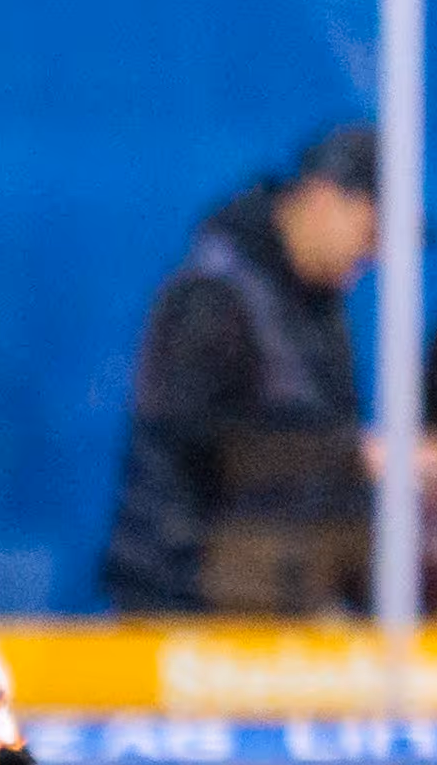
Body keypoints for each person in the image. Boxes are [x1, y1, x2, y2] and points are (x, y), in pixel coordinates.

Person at [101, 122, 386, 615]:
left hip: (275, 598)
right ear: (323, 200)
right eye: (372, 231)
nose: (373, 253)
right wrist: (352, 458)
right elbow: (200, 448)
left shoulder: (318, 305)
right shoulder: (214, 297)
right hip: (186, 606)